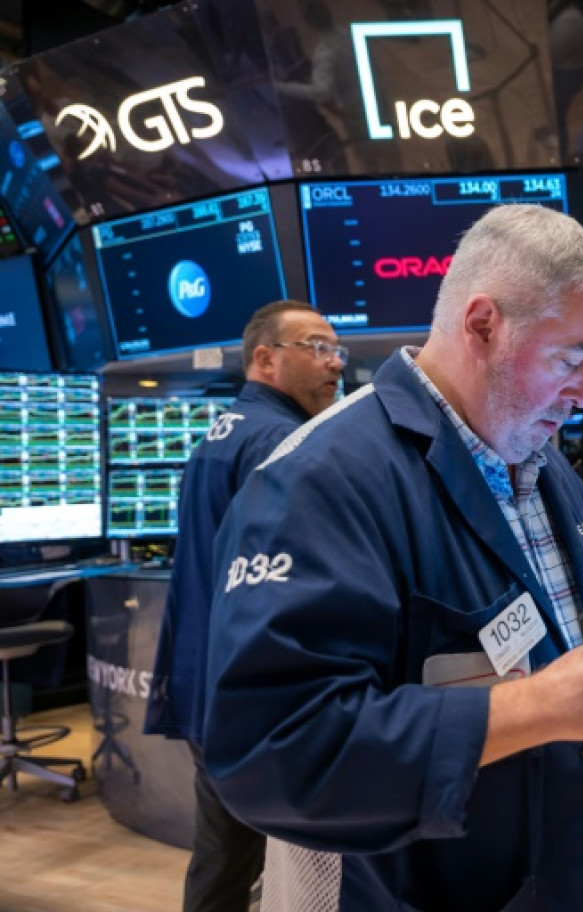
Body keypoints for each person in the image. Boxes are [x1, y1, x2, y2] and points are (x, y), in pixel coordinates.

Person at [200, 205, 583, 911]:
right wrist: (533, 708)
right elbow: (276, 752)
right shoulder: (319, 479)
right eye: (570, 358)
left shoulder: (544, 461)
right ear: (483, 324)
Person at [144, 300, 345, 912]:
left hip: (209, 678)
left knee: (223, 857)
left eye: (337, 350)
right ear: (265, 358)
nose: (335, 363)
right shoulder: (284, 442)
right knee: (255, 861)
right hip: (249, 689)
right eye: (316, 347)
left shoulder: (222, 430)